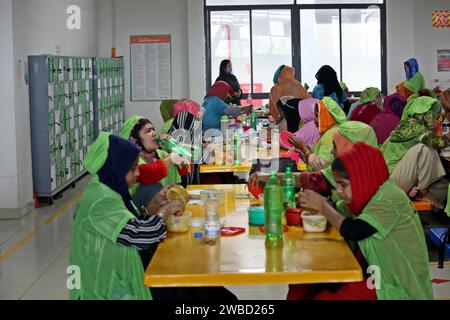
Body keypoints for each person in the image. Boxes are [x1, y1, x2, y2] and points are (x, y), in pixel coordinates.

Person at [289, 142, 433, 300]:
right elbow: (338, 210)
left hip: (393, 285)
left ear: (361, 179)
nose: (338, 190)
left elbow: (355, 230)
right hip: (373, 272)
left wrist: (322, 206)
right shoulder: (364, 195)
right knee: (303, 280)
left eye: (343, 185)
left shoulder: (390, 198)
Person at [69, 133, 185, 300]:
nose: (138, 173)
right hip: (102, 288)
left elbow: (131, 224)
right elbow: (142, 235)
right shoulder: (101, 199)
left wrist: (154, 205)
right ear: (115, 168)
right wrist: (164, 211)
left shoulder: (110, 189)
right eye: (132, 169)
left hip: (115, 277)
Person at [250, 121, 378, 196]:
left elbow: (354, 229)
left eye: (336, 146)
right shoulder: (343, 169)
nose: (332, 151)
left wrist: (323, 207)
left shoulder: (380, 193)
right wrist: (267, 176)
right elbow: (310, 179)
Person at [381, 95, 449, 209]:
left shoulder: (408, 123)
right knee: (426, 148)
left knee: (443, 185)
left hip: (391, 175)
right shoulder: (417, 127)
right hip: (391, 178)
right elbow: (439, 143)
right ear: (427, 113)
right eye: (435, 116)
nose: (437, 120)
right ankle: (423, 191)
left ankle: (417, 192)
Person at [119, 116, 191, 209]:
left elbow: (185, 170)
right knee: (152, 187)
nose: (155, 133)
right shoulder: (129, 159)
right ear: (134, 138)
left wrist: (173, 145)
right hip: (135, 211)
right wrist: (174, 155)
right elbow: (149, 173)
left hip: (161, 207)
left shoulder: (161, 154)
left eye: (153, 129)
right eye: (148, 131)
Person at [287, 97, 346, 171]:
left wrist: (304, 148)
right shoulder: (328, 132)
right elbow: (317, 151)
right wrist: (302, 147)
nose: (314, 119)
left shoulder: (332, 134)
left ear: (327, 116)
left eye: (318, 115)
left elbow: (321, 165)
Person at [269, 65, 311, 131]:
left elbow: (273, 111)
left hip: (284, 123)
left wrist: (278, 118)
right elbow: (308, 101)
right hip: (301, 123)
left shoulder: (274, 89)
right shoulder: (297, 85)